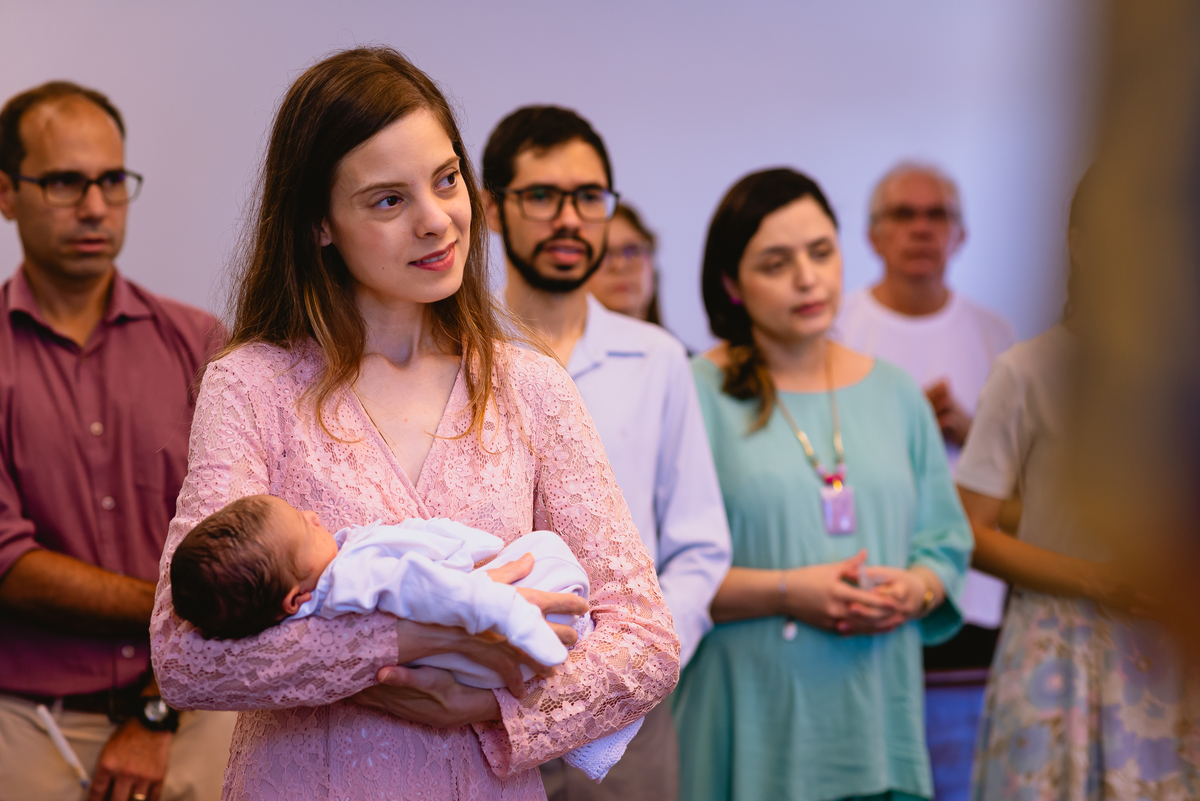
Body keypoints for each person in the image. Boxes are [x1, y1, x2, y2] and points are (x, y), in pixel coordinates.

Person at [149, 47, 678, 801]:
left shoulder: (530, 386)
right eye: (387, 200)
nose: (438, 222)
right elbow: (186, 656)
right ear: (317, 224)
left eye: (447, 179)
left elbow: (647, 641)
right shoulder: (252, 383)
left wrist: (494, 707)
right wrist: (411, 639)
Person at [673, 167, 972, 801]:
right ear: (732, 283)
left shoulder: (895, 392)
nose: (807, 279)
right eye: (776, 263)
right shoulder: (694, 392)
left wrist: (916, 588)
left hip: (873, 711)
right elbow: (656, 579)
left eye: (820, 253)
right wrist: (788, 591)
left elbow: (944, 540)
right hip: (752, 715)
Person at [483, 104, 732, 801]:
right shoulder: (460, 354)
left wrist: (640, 660)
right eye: (542, 196)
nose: (569, 218)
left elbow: (699, 543)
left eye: (589, 197)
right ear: (493, 209)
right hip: (485, 698)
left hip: (630, 711)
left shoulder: (657, 358)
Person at [0, 81, 235, 801]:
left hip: (196, 709)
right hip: (32, 722)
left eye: (111, 181)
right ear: (6, 193)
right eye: (65, 182)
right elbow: (9, 566)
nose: (96, 206)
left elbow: (248, 544)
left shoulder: (199, 344)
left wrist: (158, 709)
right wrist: (180, 600)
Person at [961, 171, 1200, 799]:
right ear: (1084, 244)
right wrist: (1100, 582)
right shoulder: (1028, 369)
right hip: (1061, 645)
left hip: (1173, 640)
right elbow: (970, 530)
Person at [171, 495, 643, 781]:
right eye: (304, 528)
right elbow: (439, 590)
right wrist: (509, 614)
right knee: (547, 554)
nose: (315, 516)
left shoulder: (302, 608)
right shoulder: (348, 579)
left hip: (476, 668)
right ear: (295, 598)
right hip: (499, 637)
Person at [586, 202, 662, 324]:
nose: (620, 265)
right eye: (604, 253)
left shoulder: (672, 344)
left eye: (632, 250)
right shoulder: (549, 342)